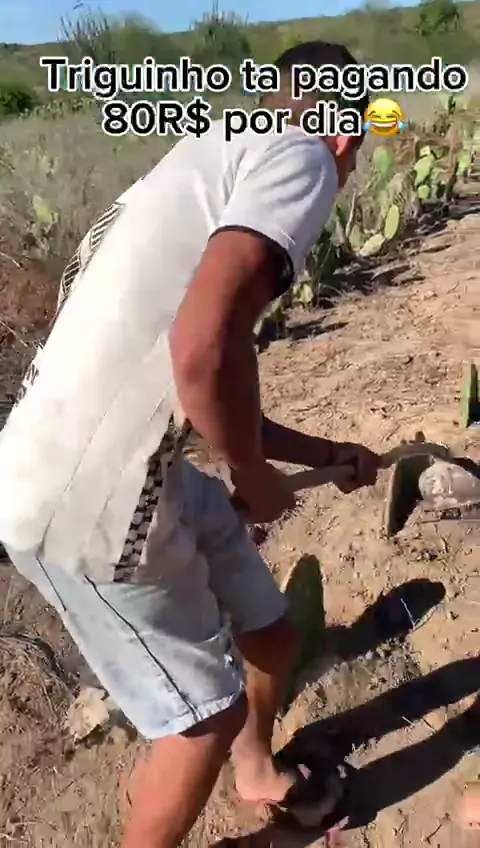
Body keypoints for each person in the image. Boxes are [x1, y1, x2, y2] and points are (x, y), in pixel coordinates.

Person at [0, 41, 379, 848]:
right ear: (346, 135)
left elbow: (188, 373)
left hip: (121, 464)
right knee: (201, 720)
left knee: (269, 630)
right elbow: (203, 351)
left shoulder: (210, 153)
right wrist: (254, 475)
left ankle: (258, 774)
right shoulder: (304, 158)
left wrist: (320, 453)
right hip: (94, 499)